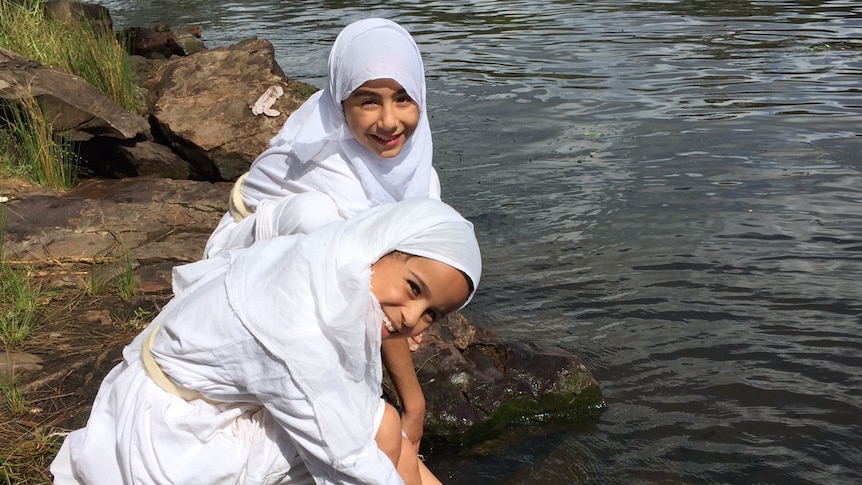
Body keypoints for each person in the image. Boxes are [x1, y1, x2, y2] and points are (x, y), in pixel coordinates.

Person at [50, 199, 481, 485]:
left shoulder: (323, 260)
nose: (410, 317)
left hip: (192, 397)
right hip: (169, 440)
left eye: (430, 313)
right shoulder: (293, 324)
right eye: (412, 287)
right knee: (378, 434)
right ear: (382, 245)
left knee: (382, 425)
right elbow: (350, 462)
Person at [203, 17, 437, 455]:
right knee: (320, 219)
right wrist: (413, 398)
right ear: (340, 102)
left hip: (319, 260)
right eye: (368, 102)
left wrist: (410, 309)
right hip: (244, 258)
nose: (389, 122)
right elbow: (362, 278)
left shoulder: (416, 163)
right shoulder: (319, 160)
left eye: (403, 99)